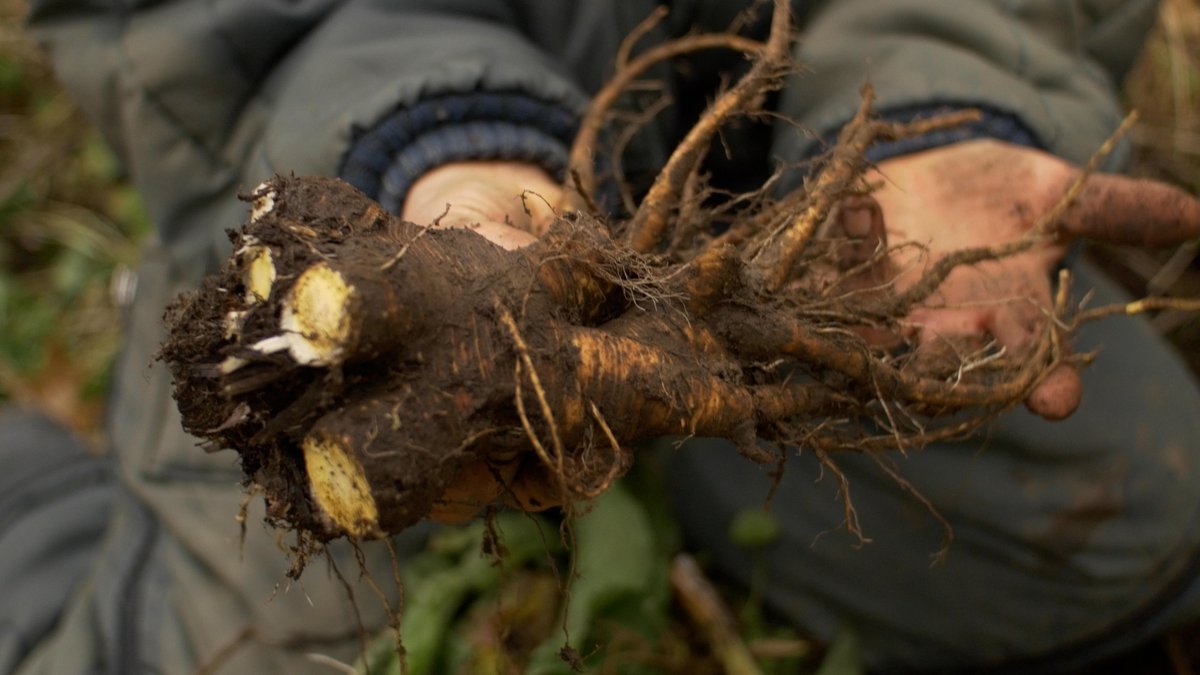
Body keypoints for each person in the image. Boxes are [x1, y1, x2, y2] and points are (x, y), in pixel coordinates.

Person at [4, 0, 1199, 672]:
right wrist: (445, 154)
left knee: (1128, 527)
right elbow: (200, 31)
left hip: (793, 230)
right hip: (370, 173)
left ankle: (680, 455)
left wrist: (942, 100)